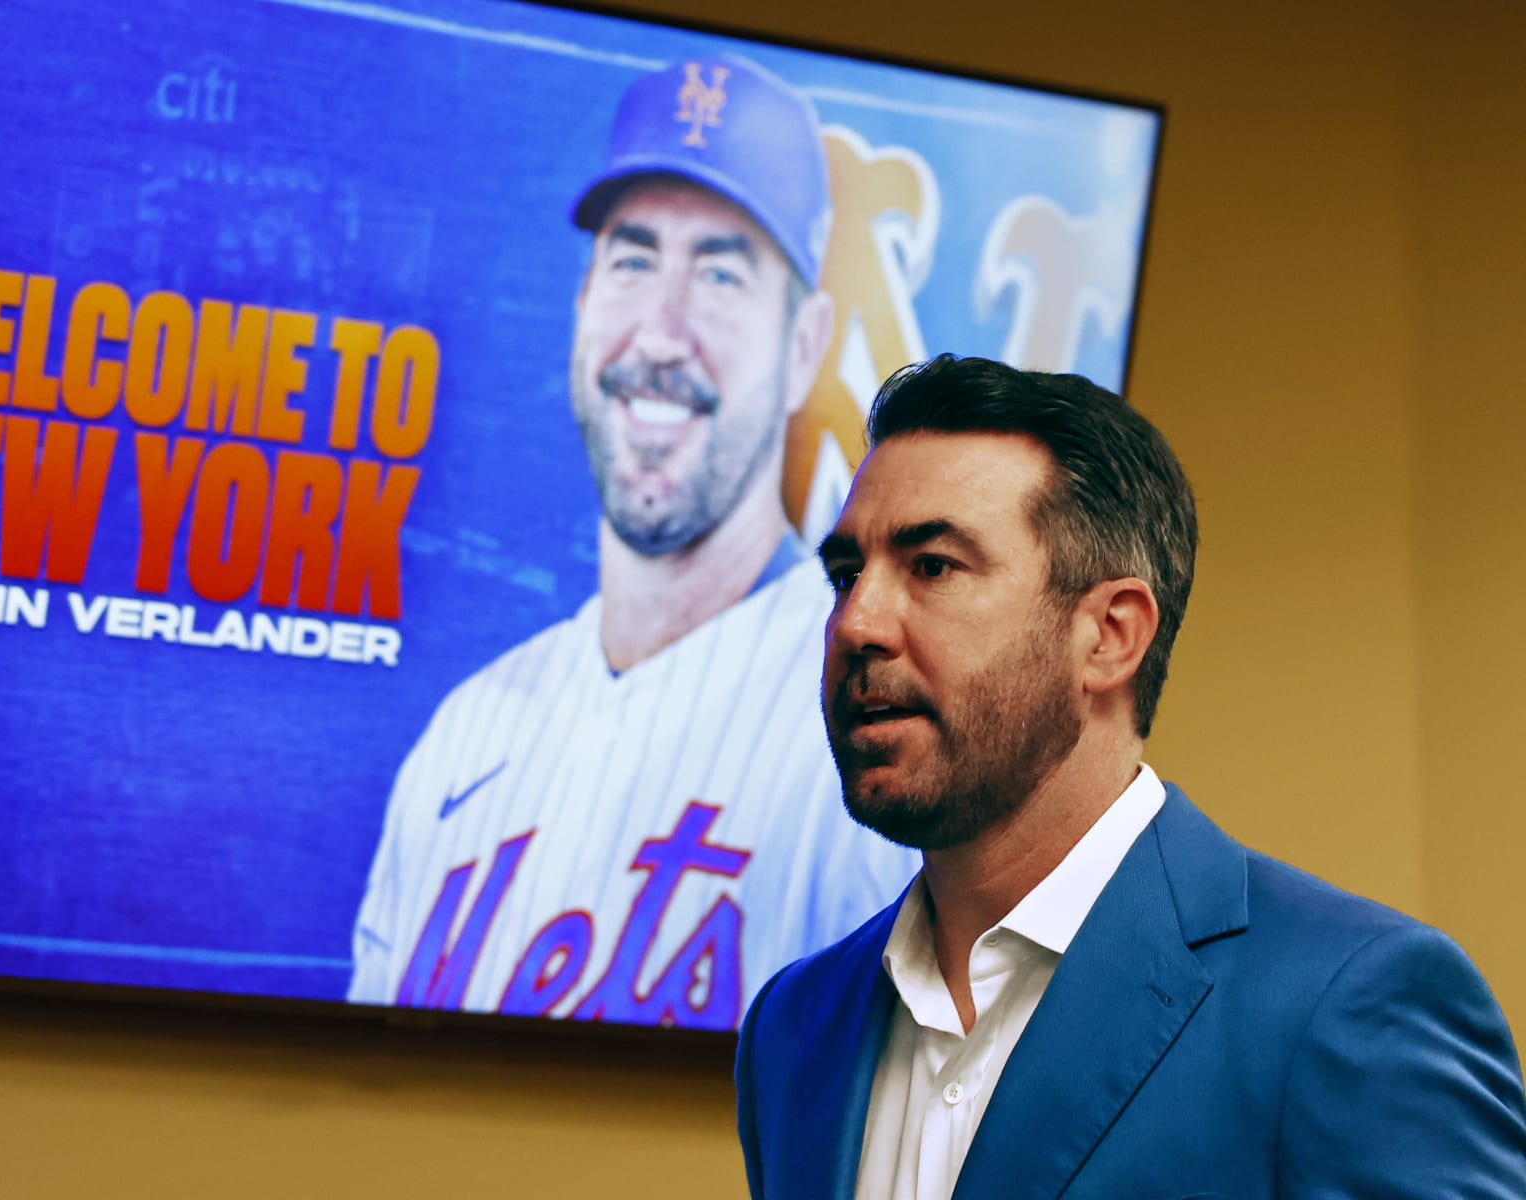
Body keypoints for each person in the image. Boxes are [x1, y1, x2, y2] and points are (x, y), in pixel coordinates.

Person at [736, 354, 1526, 1197]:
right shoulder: (794, 1029)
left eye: (932, 566)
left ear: (1111, 636)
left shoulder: (1346, 1003)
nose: (857, 622)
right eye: (846, 575)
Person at [346, 55, 918, 1029]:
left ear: (801, 348)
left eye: (722, 273)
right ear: (580, 307)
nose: (661, 331)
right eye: (633, 259)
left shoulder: (877, 745)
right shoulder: (458, 744)